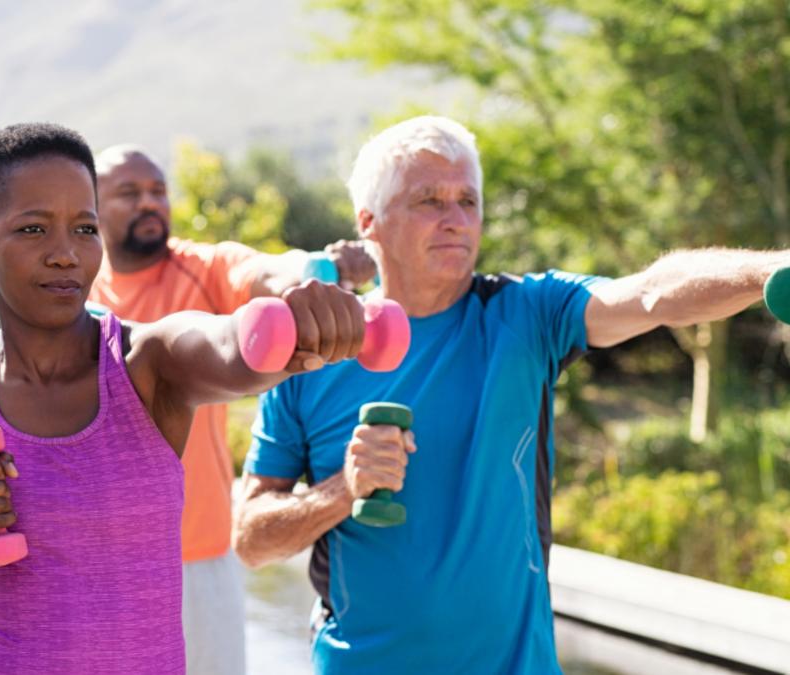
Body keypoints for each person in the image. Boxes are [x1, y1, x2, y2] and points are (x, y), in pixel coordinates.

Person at [232, 115, 790, 674]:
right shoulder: (312, 353)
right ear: (369, 222)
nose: (455, 221)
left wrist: (772, 270)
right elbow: (252, 540)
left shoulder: (527, 313)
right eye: (429, 201)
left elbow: (652, 293)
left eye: (467, 202)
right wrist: (341, 489)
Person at [0, 123, 371, 675]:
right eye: (34, 228)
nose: (65, 254)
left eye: (85, 229)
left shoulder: (148, 364)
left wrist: (298, 333)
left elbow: (229, 350)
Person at [88, 144, 375, 674]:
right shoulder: (75, 288)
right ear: (93, 207)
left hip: (198, 555)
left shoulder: (204, 267)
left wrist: (320, 270)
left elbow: (271, 271)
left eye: (157, 190)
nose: (149, 202)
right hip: (94, 562)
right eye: (129, 193)